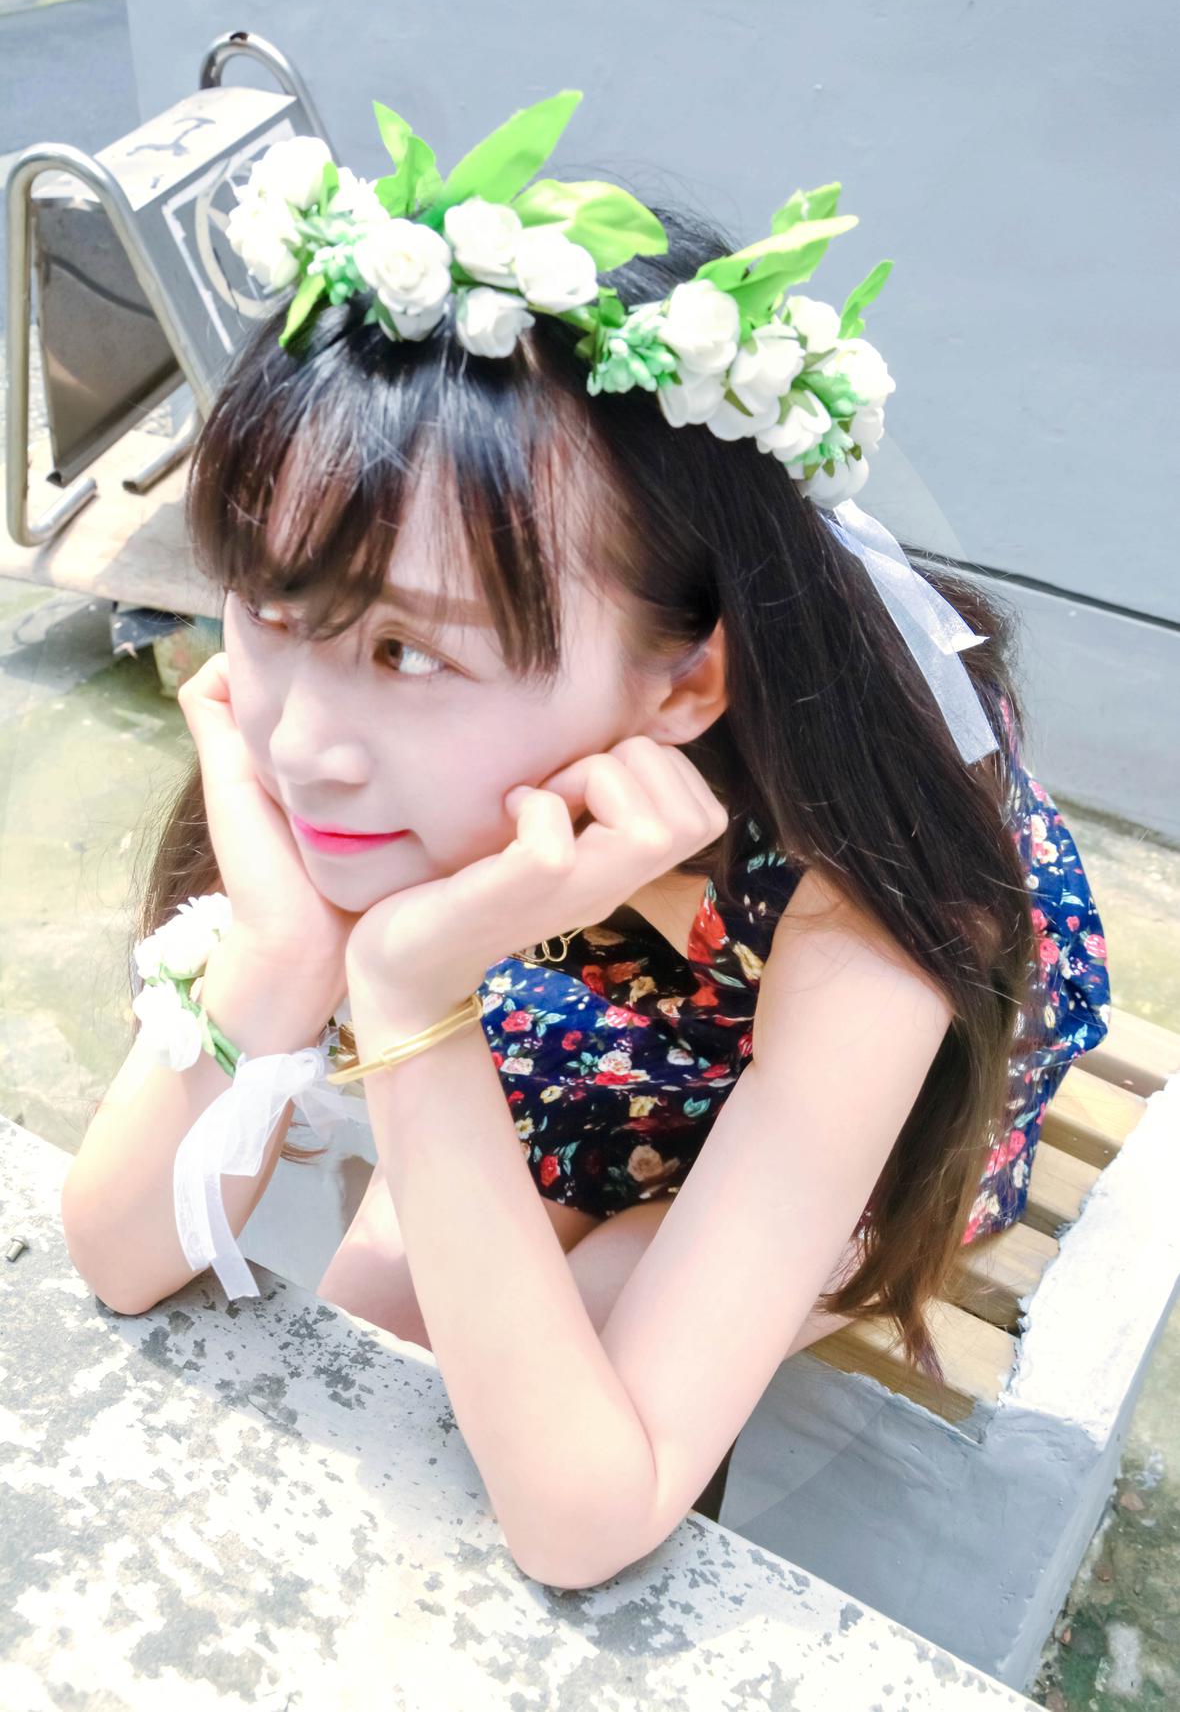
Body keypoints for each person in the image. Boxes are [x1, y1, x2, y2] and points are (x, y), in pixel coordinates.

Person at [61, 99, 1111, 1589]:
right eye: (269, 608)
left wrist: (409, 988)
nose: (299, 742)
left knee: (604, 1313)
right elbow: (117, 1254)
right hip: (582, 952)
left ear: (685, 683)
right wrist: (290, 943)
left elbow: (585, 1515)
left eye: (409, 651)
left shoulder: (868, 901)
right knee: (374, 1310)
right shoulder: (379, 759)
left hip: (868, 1060)